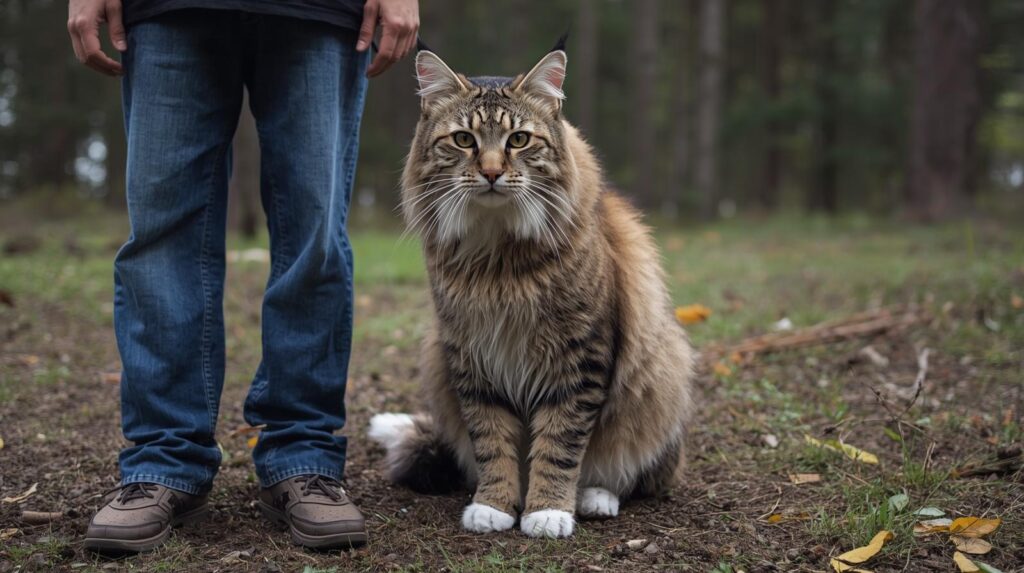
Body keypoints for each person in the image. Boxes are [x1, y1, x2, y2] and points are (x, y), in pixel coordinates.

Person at [66, 0, 419, 553]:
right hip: (166, 9)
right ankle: (163, 459)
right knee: (160, 236)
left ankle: (303, 455)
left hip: (320, 10)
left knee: (314, 235)